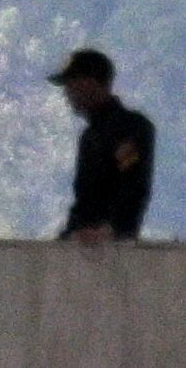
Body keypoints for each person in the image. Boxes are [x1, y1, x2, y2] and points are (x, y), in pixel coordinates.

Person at [50, 48, 153, 240]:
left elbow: (133, 185)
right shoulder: (89, 137)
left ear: (90, 83)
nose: (67, 93)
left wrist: (113, 231)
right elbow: (85, 201)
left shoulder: (129, 129)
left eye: (71, 85)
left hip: (111, 248)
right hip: (84, 244)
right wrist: (67, 238)